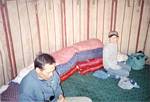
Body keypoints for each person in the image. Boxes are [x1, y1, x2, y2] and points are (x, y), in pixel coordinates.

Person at [19, 53, 92, 102]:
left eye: (53, 70)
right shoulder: (27, 85)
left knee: (87, 100)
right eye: (48, 72)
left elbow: (57, 87)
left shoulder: (53, 73)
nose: (52, 75)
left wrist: (60, 96)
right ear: (38, 70)